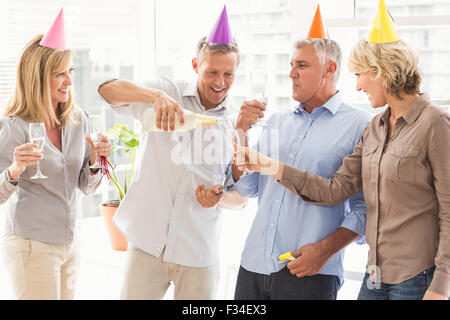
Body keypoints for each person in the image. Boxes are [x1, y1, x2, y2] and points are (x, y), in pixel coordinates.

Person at [234, 2, 450, 300]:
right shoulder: (376, 127)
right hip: (375, 273)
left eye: (360, 74)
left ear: (382, 72)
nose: (358, 85)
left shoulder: (434, 122)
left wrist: (441, 285)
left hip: (417, 274)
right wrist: (271, 166)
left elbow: (448, 209)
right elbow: (334, 189)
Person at [219, 8, 371, 299]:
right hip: (253, 265)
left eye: (301, 65)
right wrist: (240, 131)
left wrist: (324, 252)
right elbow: (247, 186)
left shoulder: (359, 125)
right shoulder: (278, 121)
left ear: (330, 70)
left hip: (309, 272)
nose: (291, 73)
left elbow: (364, 209)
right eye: (291, 64)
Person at [97, 6, 246, 300]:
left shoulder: (236, 122)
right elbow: (107, 90)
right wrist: (154, 96)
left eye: (228, 74)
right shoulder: (167, 92)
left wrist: (218, 199)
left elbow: (239, 198)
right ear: (195, 65)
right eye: (212, 72)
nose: (220, 82)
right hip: (147, 244)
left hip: (199, 252)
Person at [0, 17, 111, 300]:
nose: (70, 81)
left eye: (70, 71)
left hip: (70, 242)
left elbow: (86, 187)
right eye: (60, 73)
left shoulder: (79, 120)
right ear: (38, 77)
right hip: (31, 243)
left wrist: (97, 162)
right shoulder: (14, 127)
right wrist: (14, 170)